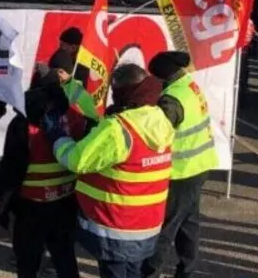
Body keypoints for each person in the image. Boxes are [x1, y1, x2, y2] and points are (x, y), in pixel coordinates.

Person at [46, 63, 175, 278]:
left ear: (123, 93)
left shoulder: (118, 129)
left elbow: (77, 160)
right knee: (134, 272)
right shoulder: (159, 119)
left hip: (116, 225)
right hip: (147, 223)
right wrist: (70, 84)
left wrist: (58, 137)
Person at [0, 76, 83, 278]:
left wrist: (1, 205)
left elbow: (11, 169)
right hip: (65, 198)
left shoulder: (23, 123)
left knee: (27, 260)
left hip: (31, 202)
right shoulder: (73, 116)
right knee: (64, 255)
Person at [142, 52, 218, 278]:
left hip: (182, 171)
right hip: (200, 165)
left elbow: (158, 135)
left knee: (166, 228)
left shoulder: (172, 100)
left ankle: (149, 272)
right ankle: (187, 270)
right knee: (189, 224)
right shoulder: (189, 84)